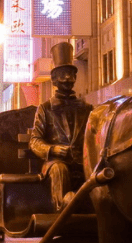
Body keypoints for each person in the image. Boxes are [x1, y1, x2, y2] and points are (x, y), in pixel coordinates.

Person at [29, 42, 93, 211]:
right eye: (63, 74)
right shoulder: (46, 108)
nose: (67, 78)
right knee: (60, 169)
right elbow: (35, 140)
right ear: (54, 79)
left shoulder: (87, 109)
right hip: (55, 162)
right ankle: (62, 208)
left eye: (71, 74)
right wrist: (53, 149)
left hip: (83, 161)